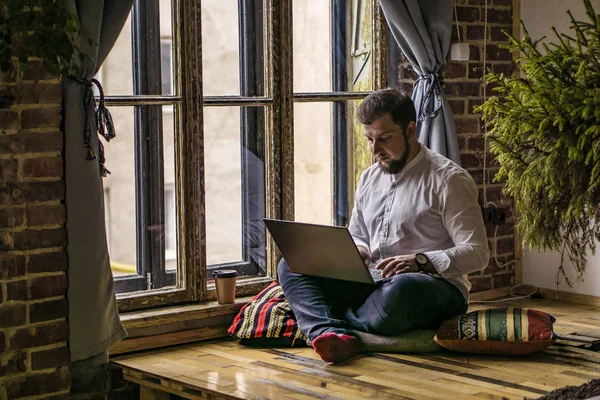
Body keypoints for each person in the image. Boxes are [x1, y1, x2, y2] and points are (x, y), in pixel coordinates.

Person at [278, 88, 490, 363]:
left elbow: (478, 253)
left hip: (431, 288)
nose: (375, 150)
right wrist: (358, 251)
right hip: (373, 283)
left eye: (384, 139)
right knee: (292, 263)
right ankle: (330, 332)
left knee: (400, 290)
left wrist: (421, 261)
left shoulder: (449, 180)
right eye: (369, 140)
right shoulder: (368, 178)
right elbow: (358, 234)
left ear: (410, 130)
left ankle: (323, 318)